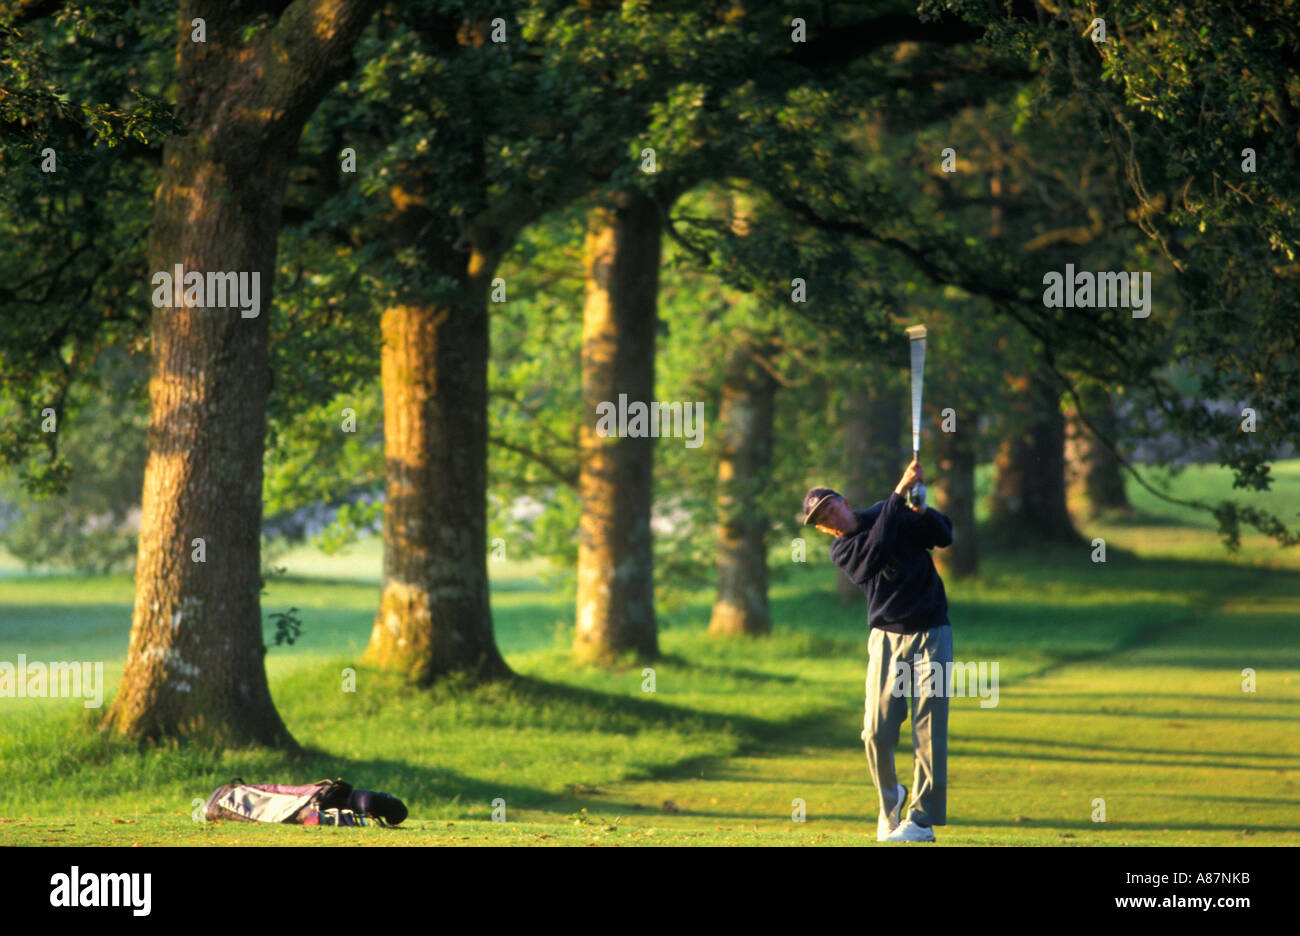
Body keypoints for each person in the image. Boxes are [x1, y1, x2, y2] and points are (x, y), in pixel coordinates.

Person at [802, 457, 954, 843]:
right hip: (886, 640)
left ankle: (921, 820)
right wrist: (899, 492)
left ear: (845, 502)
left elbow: (943, 535)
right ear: (823, 528)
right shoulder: (844, 551)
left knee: (929, 731)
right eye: (823, 516)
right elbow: (877, 547)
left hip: (931, 631)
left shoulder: (889, 512)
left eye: (832, 504)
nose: (831, 514)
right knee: (875, 731)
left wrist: (921, 507)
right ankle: (891, 803)